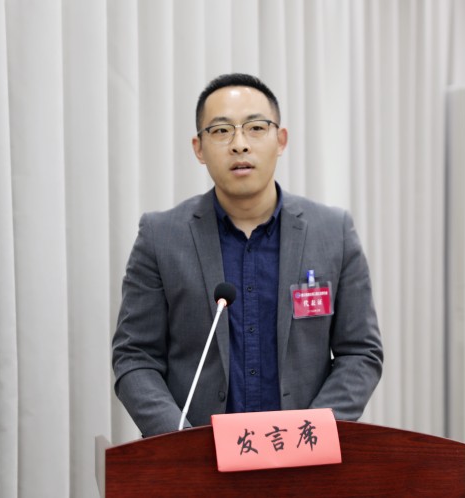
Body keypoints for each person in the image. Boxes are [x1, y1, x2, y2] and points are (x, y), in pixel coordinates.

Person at [112, 73, 383, 437]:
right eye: (221, 131)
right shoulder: (160, 237)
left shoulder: (333, 232)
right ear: (198, 148)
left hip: (304, 457)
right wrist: (179, 442)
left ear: (280, 140)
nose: (239, 145)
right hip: (198, 457)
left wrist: (312, 434)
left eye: (256, 128)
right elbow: (135, 357)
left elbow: (360, 353)